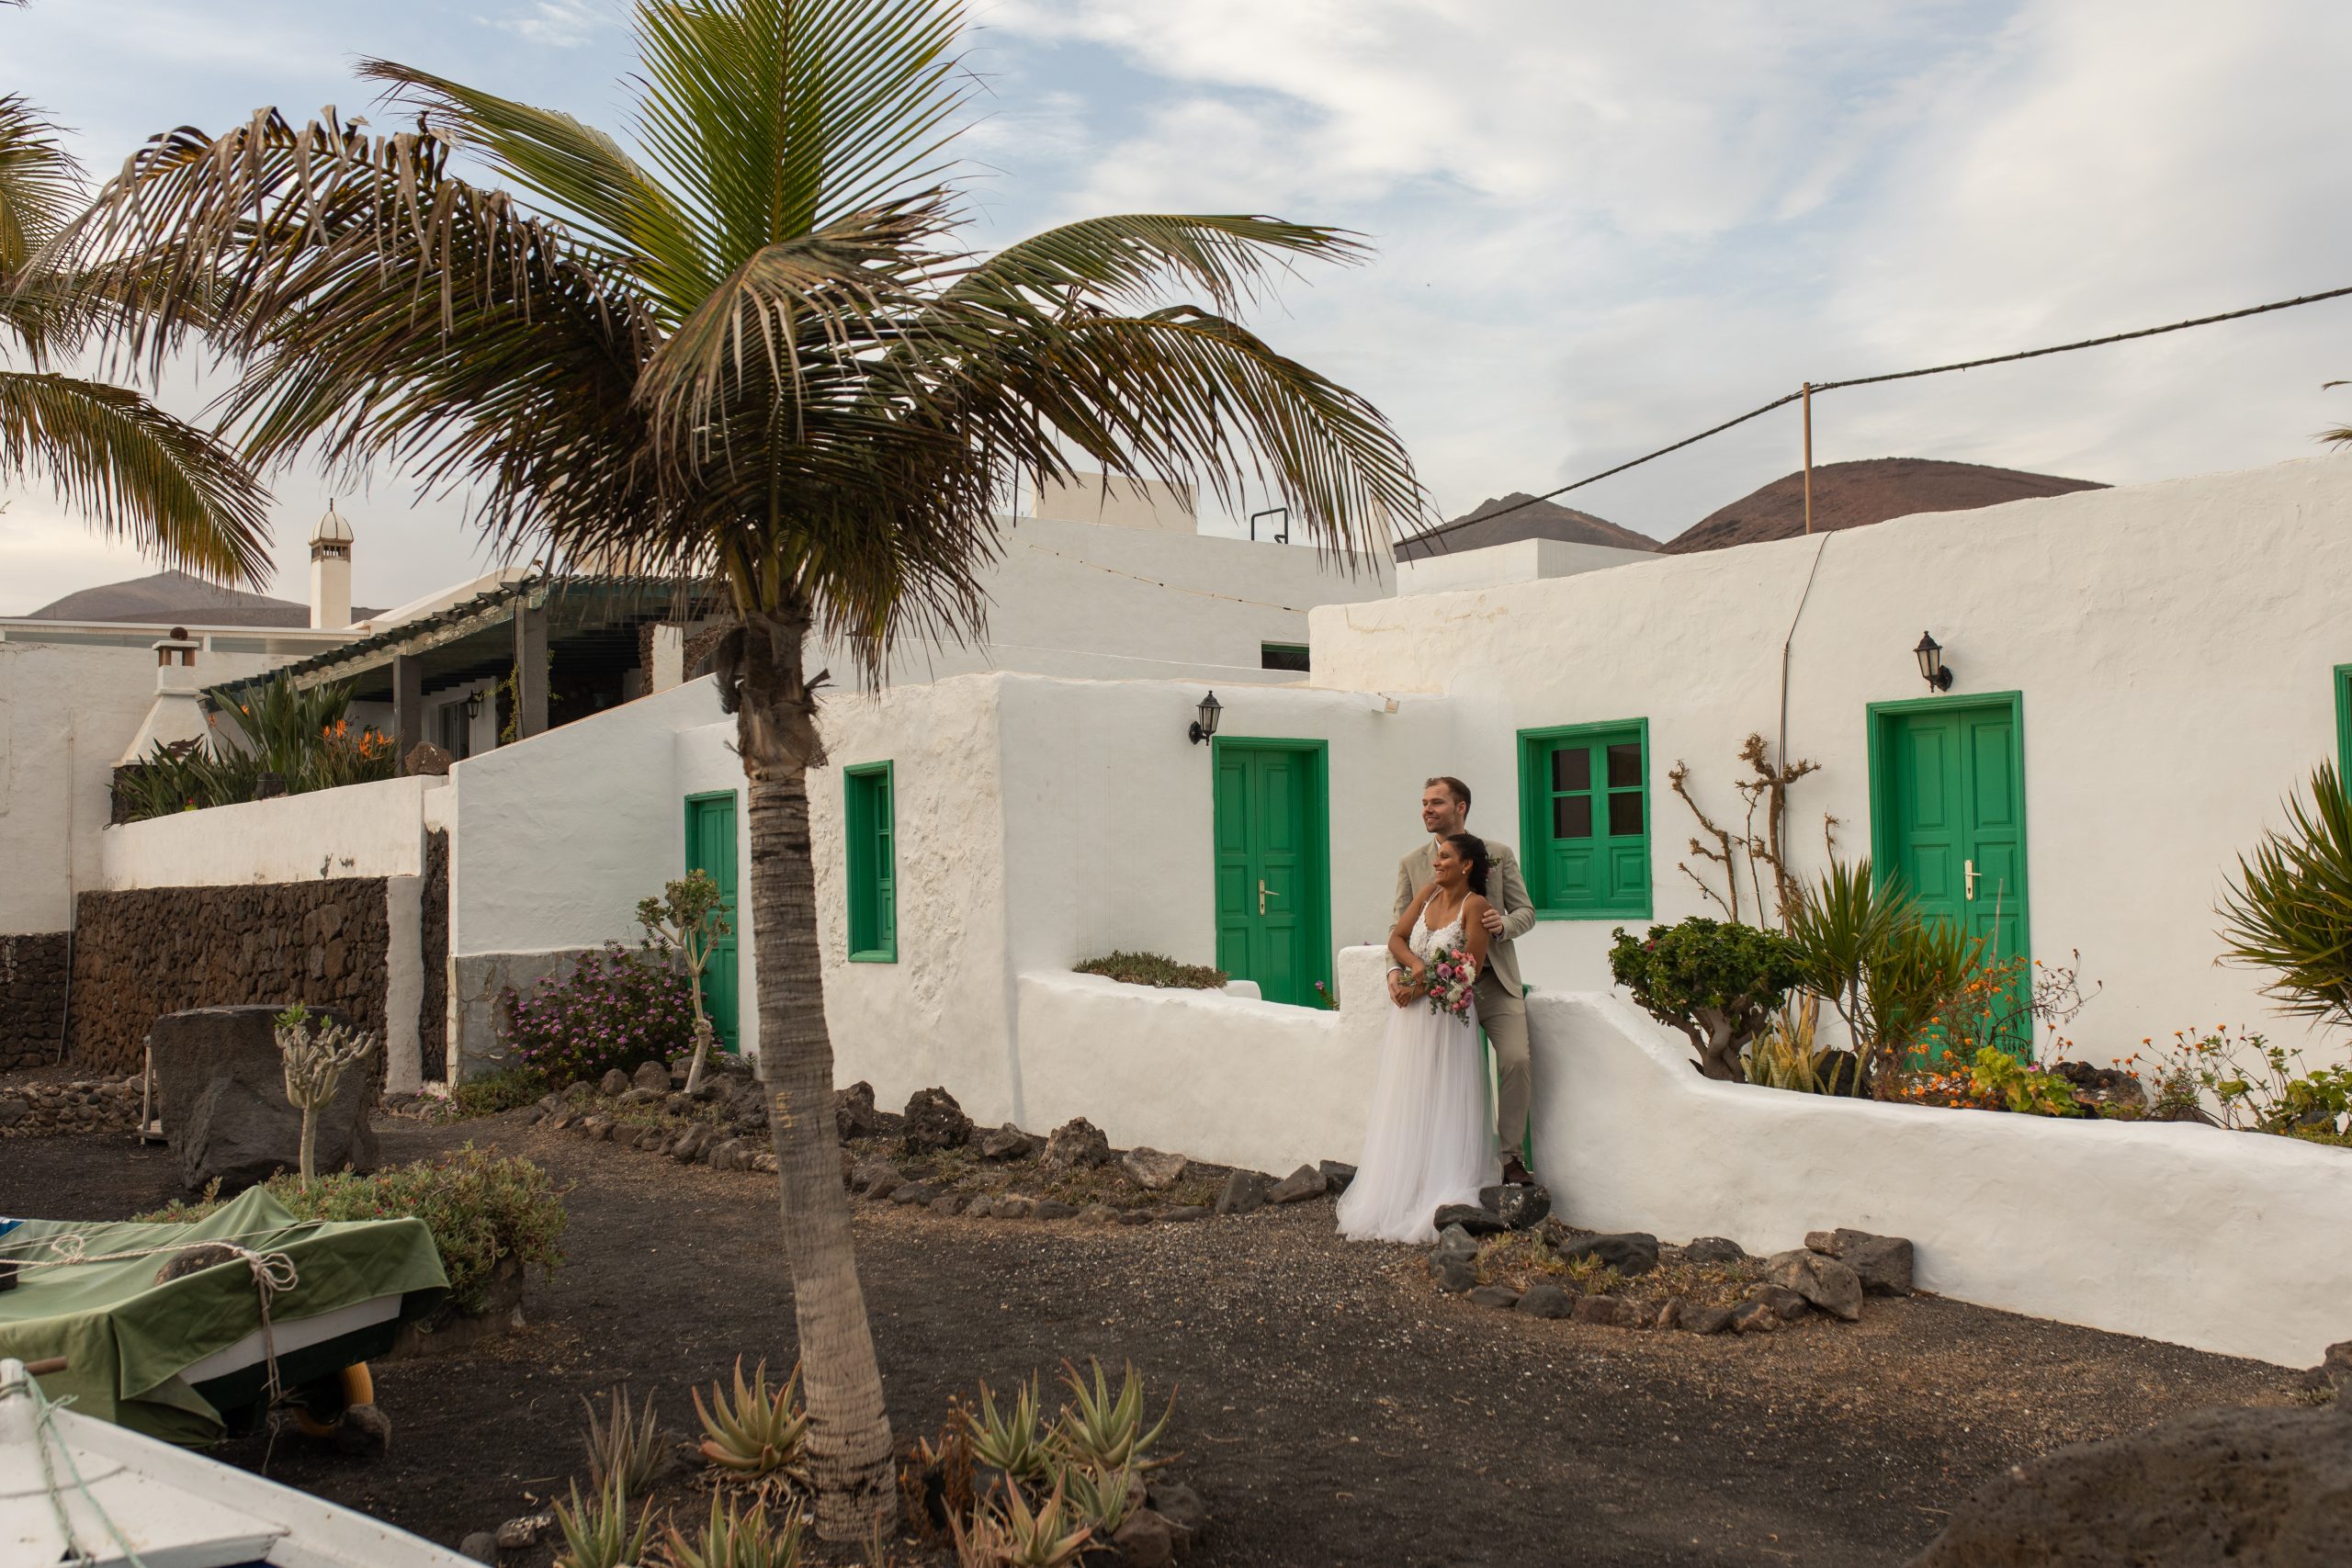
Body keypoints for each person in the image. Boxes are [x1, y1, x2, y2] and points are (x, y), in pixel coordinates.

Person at [1337, 832, 1500, 1244]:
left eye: (1445, 857)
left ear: (1466, 865)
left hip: (1446, 1019)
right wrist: (1414, 966)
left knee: (1444, 1097)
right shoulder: (1427, 894)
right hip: (1410, 1019)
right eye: (1437, 857)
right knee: (1409, 1096)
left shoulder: (1476, 906)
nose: (1437, 863)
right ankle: (1403, 1185)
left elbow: (1470, 968)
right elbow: (1397, 936)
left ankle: (1439, 1184)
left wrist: (1422, 987)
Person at [1393, 776, 1540, 1185]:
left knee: (1516, 1060)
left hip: (1493, 980)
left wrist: (1503, 924)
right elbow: (1398, 927)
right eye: (1424, 802)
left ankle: (1510, 1158)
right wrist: (1396, 972)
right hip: (1433, 989)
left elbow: (1526, 912)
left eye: (1437, 802)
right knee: (1435, 1075)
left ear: (1461, 807)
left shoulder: (1499, 854)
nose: (1427, 809)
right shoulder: (1412, 863)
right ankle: (1436, 1159)